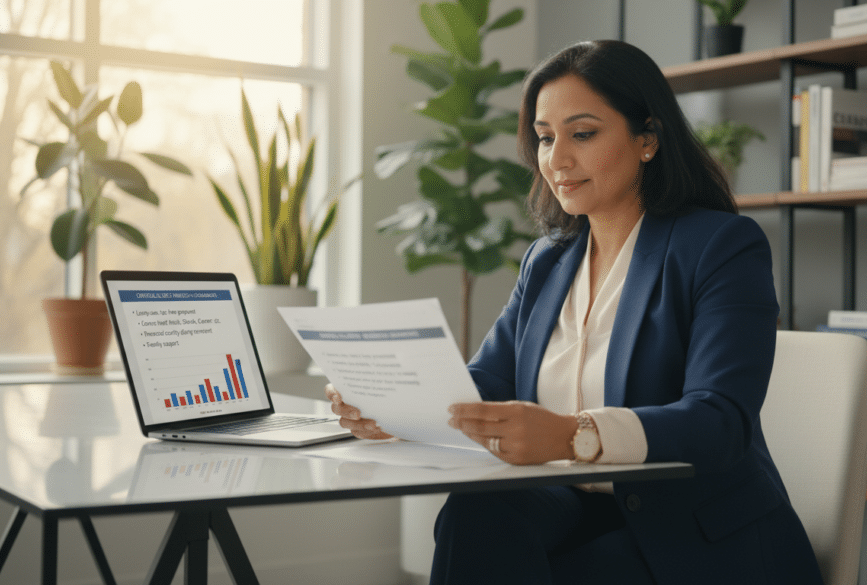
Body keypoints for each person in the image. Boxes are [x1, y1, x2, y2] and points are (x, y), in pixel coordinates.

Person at [328, 40, 824, 584]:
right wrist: (392, 408)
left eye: (582, 134)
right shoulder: (548, 260)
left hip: (695, 530)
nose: (556, 159)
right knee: (477, 515)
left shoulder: (720, 246)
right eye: (545, 138)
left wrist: (572, 436)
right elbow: (484, 383)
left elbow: (720, 421)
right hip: (574, 509)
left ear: (648, 140)